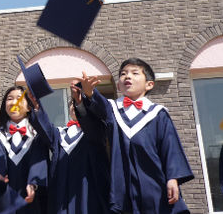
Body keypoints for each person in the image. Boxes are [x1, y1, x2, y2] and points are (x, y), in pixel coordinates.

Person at [80, 58, 194, 213]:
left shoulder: (158, 113)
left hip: (154, 183)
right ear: (119, 86)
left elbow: (170, 147)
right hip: (122, 186)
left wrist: (173, 178)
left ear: (149, 84)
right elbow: (99, 104)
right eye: (123, 74)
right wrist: (89, 92)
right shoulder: (112, 109)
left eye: (135, 73)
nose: (128, 76)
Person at [28, 82, 110, 214]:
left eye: (79, 103)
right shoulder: (60, 133)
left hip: (88, 192)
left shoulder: (97, 129)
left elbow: (91, 126)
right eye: (73, 103)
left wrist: (80, 104)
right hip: (61, 192)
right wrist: (37, 106)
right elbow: (45, 129)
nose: (75, 105)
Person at [0, 86, 48, 214]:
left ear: (28, 107)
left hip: (32, 197)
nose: (14, 102)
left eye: (19, 98)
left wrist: (33, 183)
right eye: (10, 99)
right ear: (5, 106)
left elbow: (38, 159)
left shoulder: (37, 135)